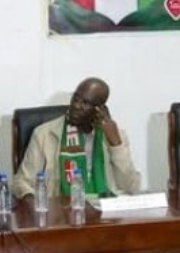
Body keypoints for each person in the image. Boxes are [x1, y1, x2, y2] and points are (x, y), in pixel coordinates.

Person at [12, 77, 141, 200]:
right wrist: (35, 202)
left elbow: (131, 187)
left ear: (99, 109)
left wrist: (116, 144)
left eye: (85, 103)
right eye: (76, 98)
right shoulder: (45, 134)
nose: (76, 105)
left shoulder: (114, 135)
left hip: (106, 212)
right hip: (61, 213)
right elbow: (22, 182)